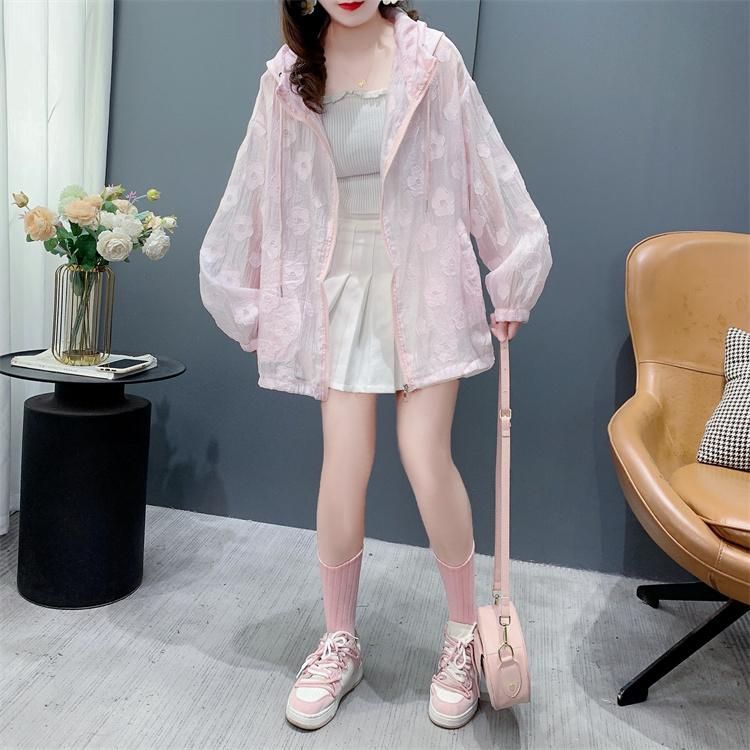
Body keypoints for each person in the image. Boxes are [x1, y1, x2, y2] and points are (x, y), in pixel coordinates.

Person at [198, 0, 552, 732]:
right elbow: (253, 189)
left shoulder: (432, 59)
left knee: (425, 455)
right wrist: (243, 297)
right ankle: (339, 640)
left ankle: (463, 634)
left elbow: (483, 164)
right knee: (345, 460)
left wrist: (511, 272)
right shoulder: (288, 76)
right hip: (335, 289)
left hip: (422, 282)